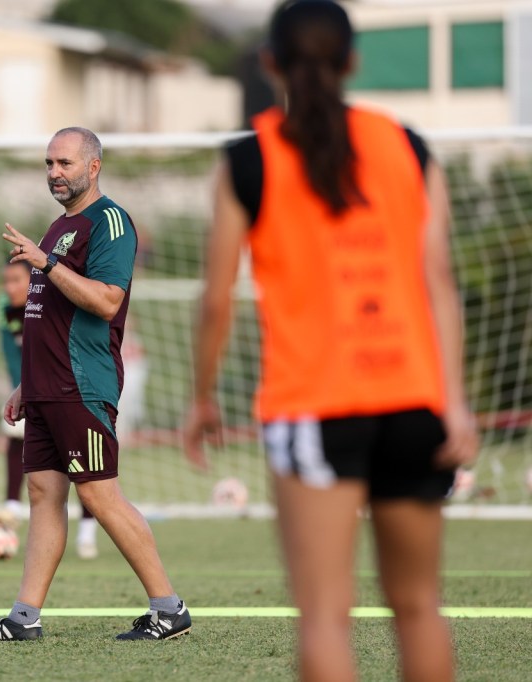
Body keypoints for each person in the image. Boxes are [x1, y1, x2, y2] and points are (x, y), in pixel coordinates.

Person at [183, 2, 479, 680]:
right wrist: (453, 402)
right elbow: (439, 280)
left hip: (315, 405)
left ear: (269, 64)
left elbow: (215, 300)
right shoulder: (407, 144)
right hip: (413, 401)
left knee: (324, 617)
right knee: (419, 606)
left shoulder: (249, 158)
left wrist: (201, 398)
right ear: (352, 63)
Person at [0, 127, 190, 642]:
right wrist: (26, 383)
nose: (54, 173)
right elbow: (46, 316)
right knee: (43, 493)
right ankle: (24, 618)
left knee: (100, 496)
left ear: (93, 166)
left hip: (81, 385)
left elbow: (107, 301)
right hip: (45, 387)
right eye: (48, 164)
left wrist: (47, 263)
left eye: (64, 163)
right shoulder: (56, 228)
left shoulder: (109, 222)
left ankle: (169, 609)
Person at [0, 258, 100, 559]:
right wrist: (22, 390)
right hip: (34, 386)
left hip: (75, 390)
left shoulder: (53, 304)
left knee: (83, 468)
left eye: (15, 280)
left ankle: (87, 533)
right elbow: (16, 355)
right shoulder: (7, 310)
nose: (8, 287)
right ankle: (12, 508)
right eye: (5, 281)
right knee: (15, 437)